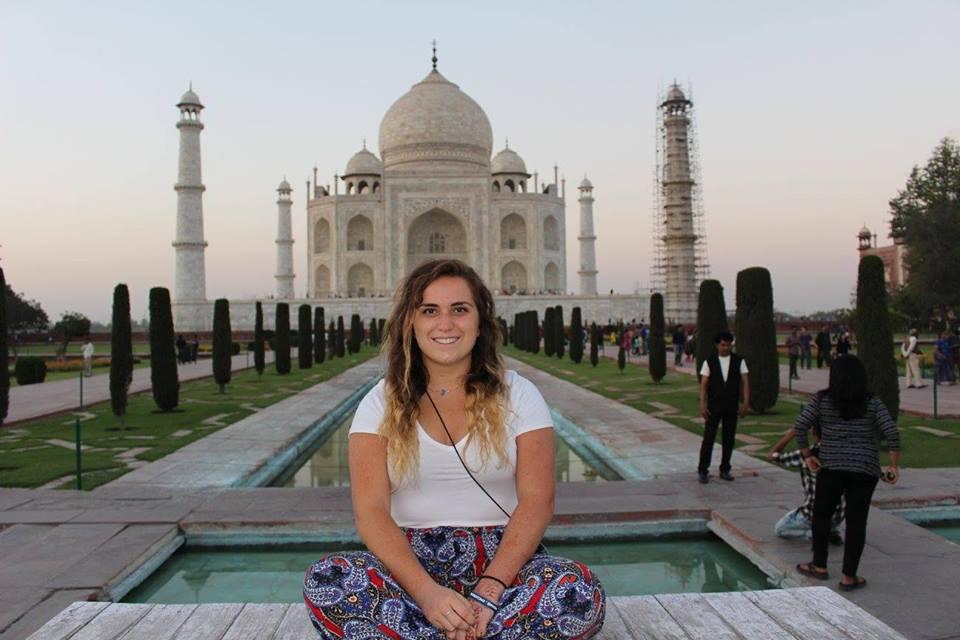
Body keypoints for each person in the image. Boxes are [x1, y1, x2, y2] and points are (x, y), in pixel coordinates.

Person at [303, 259, 606, 640]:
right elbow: (371, 513)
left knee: (576, 588)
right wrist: (428, 594)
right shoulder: (380, 403)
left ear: (480, 323)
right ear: (410, 324)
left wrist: (491, 590)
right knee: (328, 579)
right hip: (408, 571)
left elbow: (537, 502)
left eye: (459, 310)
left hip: (505, 565)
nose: (445, 324)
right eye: (429, 310)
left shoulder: (520, 395)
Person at [794, 355, 901, 592]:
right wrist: (893, 466)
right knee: (856, 522)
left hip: (830, 467)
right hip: (864, 468)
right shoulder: (872, 402)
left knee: (821, 516)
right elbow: (891, 432)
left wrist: (807, 455)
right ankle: (848, 577)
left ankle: (819, 565)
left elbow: (801, 425)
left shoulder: (823, 400)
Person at [768, 427, 844, 545]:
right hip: (839, 515)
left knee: (780, 529)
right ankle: (831, 529)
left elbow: (772, 455)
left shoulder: (807, 454)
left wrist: (790, 435)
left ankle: (818, 533)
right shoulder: (846, 454)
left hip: (814, 515)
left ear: (814, 433)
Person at [697, 331, 750, 483]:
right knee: (709, 438)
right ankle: (703, 470)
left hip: (731, 405)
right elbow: (704, 384)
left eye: (728, 345)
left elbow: (745, 382)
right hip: (714, 406)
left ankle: (725, 469)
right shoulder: (710, 361)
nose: (726, 348)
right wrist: (702, 404)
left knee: (729, 438)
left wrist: (746, 402)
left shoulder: (739, 361)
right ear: (717, 345)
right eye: (723, 345)